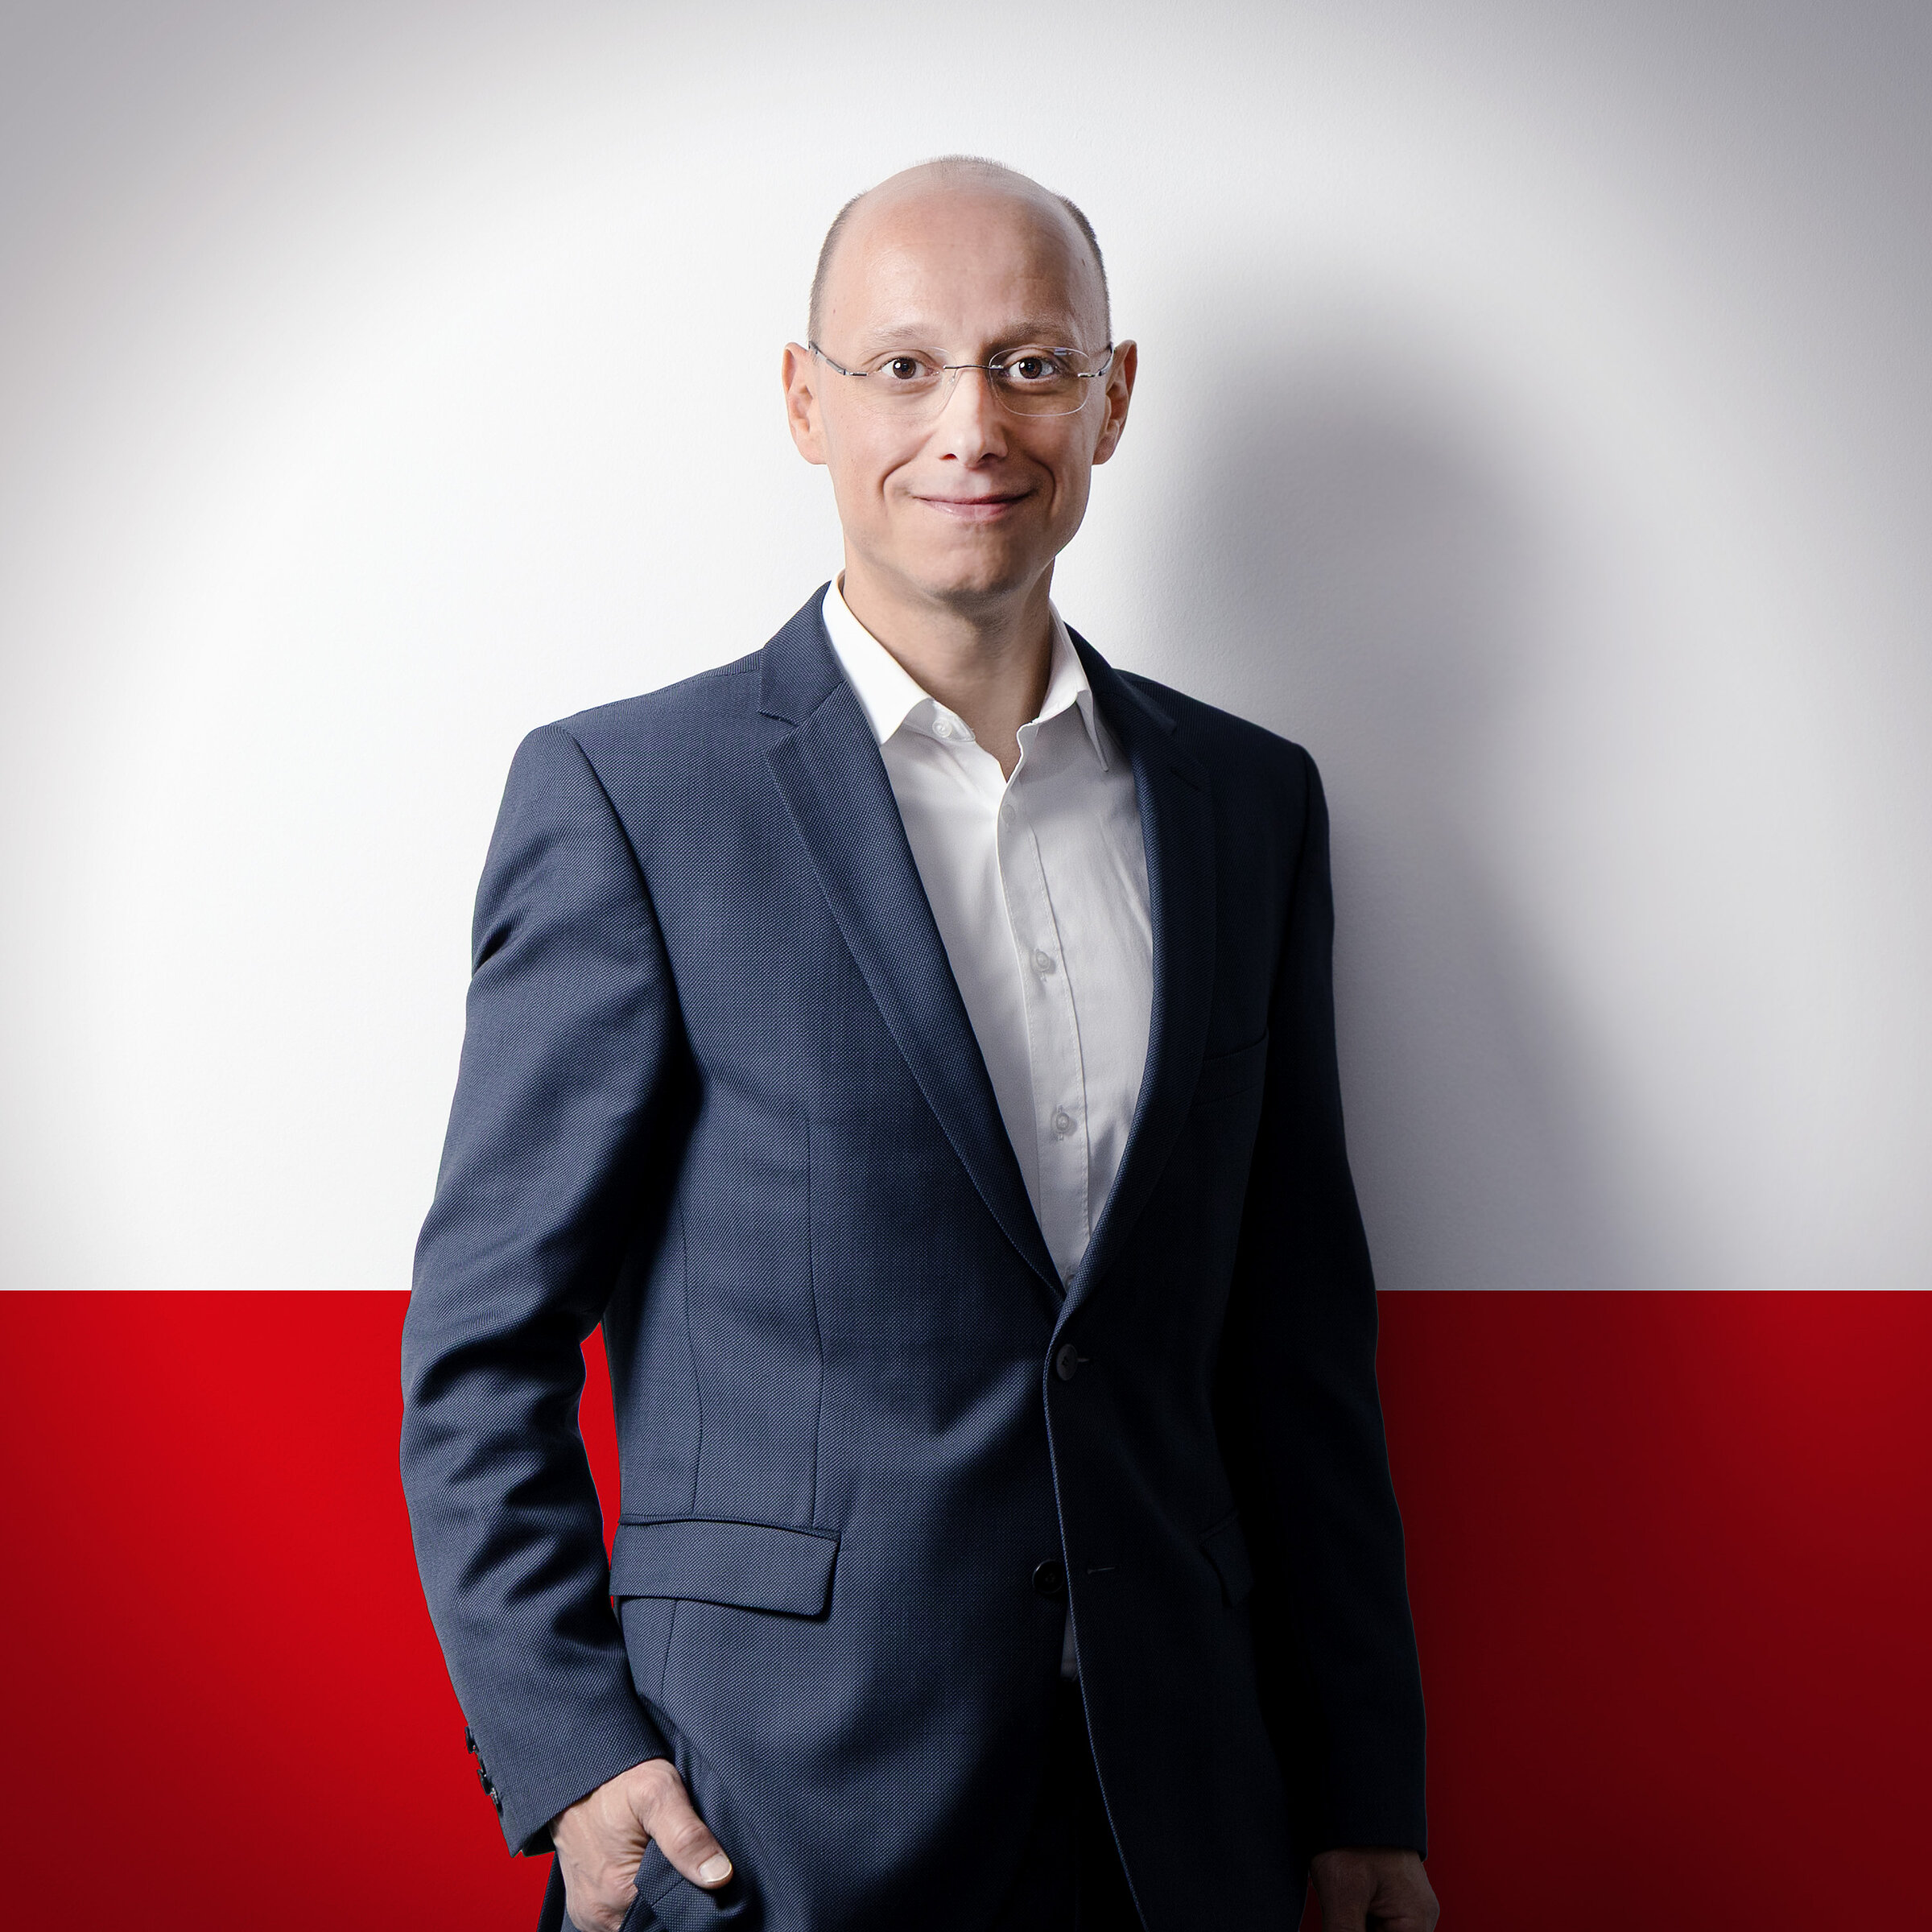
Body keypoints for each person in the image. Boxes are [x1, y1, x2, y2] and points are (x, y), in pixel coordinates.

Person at [401, 155, 1438, 1932]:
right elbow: (483, 1351)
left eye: (1033, 363)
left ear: (1114, 400)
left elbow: (1294, 1345)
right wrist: (577, 1754)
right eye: (904, 366)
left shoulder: (1251, 807)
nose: (972, 422)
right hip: (768, 1809)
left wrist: (1360, 1789)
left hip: (1181, 1810)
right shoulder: (634, 800)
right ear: (804, 401)